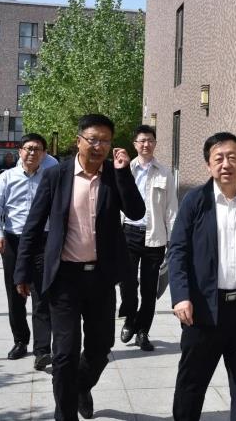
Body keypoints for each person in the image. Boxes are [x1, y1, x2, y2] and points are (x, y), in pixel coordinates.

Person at [14, 114, 145, 420]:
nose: (99, 146)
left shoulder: (114, 175)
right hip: (65, 278)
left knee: (101, 347)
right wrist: (21, 270)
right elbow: (33, 225)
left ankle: (81, 386)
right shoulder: (56, 175)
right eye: (93, 139)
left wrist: (124, 174)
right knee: (64, 354)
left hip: (101, 278)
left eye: (105, 141)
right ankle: (65, 414)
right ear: (79, 141)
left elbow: (136, 212)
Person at [169, 132, 236, 421]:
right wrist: (181, 297)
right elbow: (177, 251)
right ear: (209, 164)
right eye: (219, 158)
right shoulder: (194, 201)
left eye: (232, 157)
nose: (226, 164)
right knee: (192, 382)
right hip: (202, 309)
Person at [0, 133, 58, 369]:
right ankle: (20, 340)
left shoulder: (50, 176)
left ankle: (42, 350)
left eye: (37, 149)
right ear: (20, 151)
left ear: (44, 154)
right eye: (28, 148)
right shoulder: (7, 177)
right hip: (13, 241)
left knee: (41, 295)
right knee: (15, 294)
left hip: (42, 241)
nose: (32, 153)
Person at [119, 124, 177, 351]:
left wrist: (173, 238)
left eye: (150, 140)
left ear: (155, 143)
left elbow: (171, 207)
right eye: (142, 140)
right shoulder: (125, 169)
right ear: (135, 144)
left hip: (155, 236)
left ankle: (143, 331)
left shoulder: (164, 173)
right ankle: (130, 319)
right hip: (128, 233)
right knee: (127, 283)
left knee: (150, 289)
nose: (146, 144)